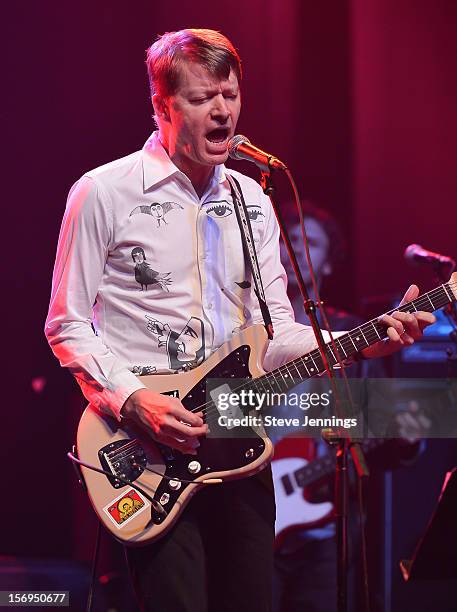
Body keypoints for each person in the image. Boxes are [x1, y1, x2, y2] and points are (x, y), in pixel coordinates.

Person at [44, 29, 435, 612]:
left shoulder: (253, 201)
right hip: (147, 446)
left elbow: (276, 337)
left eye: (230, 94)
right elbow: (67, 324)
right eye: (203, 98)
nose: (223, 110)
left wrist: (367, 342)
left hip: (240, 445)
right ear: (161, 106)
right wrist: (132, 401)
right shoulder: (103, 192)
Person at [271, 204, 430, 612]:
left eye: (308, 242)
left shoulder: (351, 333)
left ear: (329, 260)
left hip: (329, 531)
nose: (293, 251)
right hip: (248, 519)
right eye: (284, 238)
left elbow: (379, 434)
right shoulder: (248, 328)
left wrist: (406, 436)